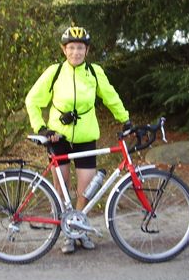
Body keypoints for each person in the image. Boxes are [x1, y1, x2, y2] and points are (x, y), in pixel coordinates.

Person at [25, 26, 130, 254]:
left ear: (87, 50)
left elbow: (111, 96)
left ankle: (78, 228)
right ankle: (67, 233)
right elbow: (32, 100)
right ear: (64, 50)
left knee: (85, 190)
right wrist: (41, 128)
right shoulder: (54, 72)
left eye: (80, 48)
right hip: (58, 136)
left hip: (85, 136)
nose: (76, 52)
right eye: (71, 48)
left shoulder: (94, 72)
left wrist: (125, 119)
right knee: (61, 189)